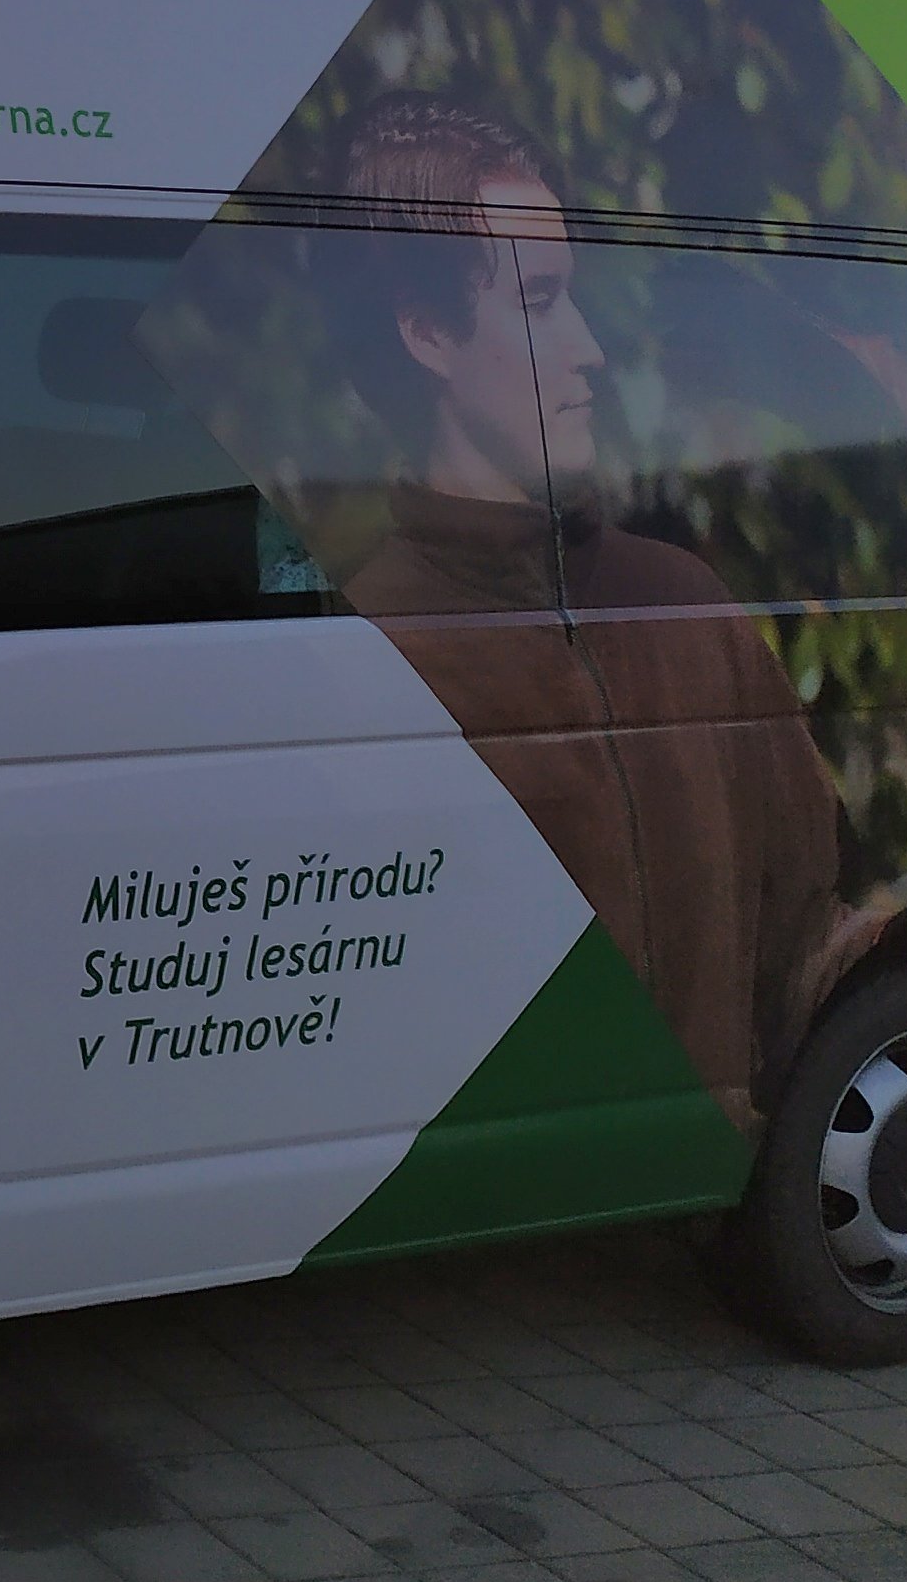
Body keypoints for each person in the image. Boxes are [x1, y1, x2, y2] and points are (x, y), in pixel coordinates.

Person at [327, 93, 849, 1132]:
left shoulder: (685, 606)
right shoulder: (364, 653)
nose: (590, 349)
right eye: (540, 302)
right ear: (426, 332)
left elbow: (806, 936)